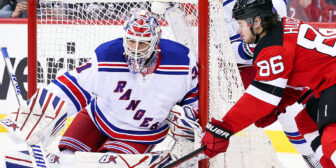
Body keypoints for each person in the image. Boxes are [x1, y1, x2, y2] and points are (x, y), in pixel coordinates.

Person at [0, 9, 200, 166]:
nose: (135, 49)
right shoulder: (107, 56)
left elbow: (195, 96)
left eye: (143, 43)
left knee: (106, 165)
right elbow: (71, 86)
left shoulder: (181, 61)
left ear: (156, 40)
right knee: (68, 158)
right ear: (124, 37)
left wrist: (188, 119)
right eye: (131, 41)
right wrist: (36, 115)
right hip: (97, 118)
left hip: (140, 132)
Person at [201, 0, 336, 168]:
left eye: (240, 24)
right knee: (306, 122)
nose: (239, 31)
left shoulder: (272, 47)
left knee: (334, 138)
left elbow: (260, 98)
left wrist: (223, 128)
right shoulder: (281, 28)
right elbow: (293, 81)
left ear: (256, 22)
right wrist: (280, 105)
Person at [223, 0, 321, 167]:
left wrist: (267, 47)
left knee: (294, 113)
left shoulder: (276, 1)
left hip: (272, 61)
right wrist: (259, 47)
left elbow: (280, 36)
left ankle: (313, 157)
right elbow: (227, 49)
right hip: (237, 71)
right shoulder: (223, 5)